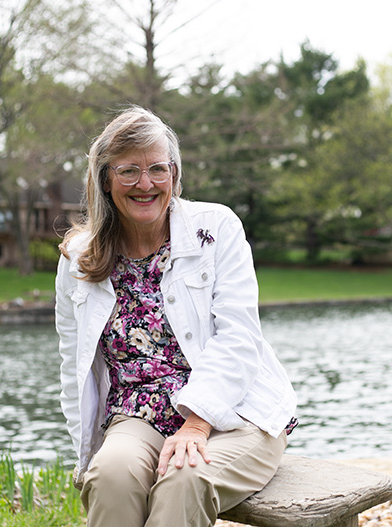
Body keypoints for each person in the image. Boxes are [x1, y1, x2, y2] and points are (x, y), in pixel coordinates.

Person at [55, 106, 297, 527]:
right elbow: (71, 363)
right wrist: (86, 455)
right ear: (105, 179)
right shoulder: (79, 258)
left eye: (157, 169)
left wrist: (197, 425)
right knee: (110, 476)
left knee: (183, 479)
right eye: (129, 170)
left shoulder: (217, 227)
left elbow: (240, 338)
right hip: (137, 413)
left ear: (174, 173)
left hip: (236, 412)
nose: (145, 183)